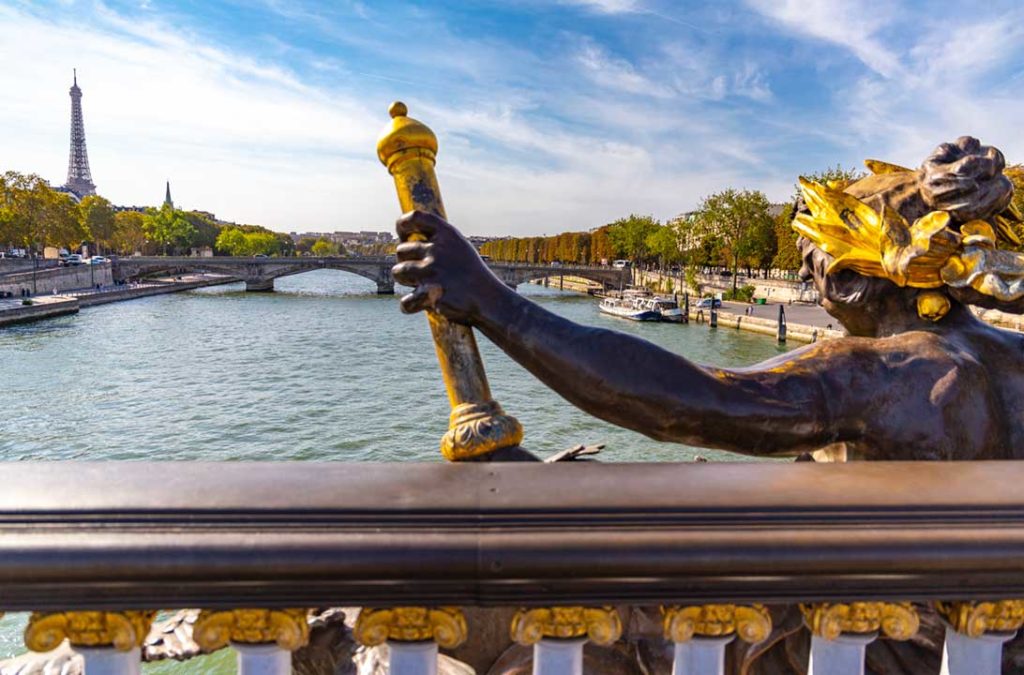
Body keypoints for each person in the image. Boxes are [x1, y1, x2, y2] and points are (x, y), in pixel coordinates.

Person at [392, 136, 1024, 463]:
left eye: (815, 276)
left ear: (844, 282)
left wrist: (493, 303)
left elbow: (690, 401)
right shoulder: (1009, 355)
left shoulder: (889, 369)